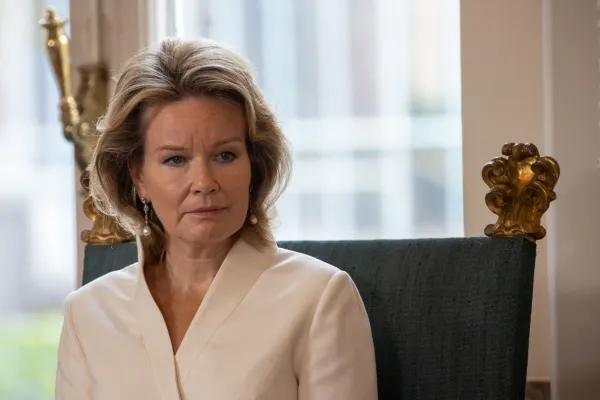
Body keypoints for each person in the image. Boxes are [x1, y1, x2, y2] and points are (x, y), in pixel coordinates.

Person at [55, 37, 377, 400]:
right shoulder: (87, 314)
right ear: (138, 176)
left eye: (225, 155)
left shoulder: (319, 299)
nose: (204, 183)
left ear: (253, 166)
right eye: (175, 159)